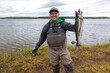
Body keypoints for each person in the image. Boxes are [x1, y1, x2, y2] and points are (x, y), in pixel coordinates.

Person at [32, 7, 75, 73]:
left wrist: (79, 19)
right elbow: (42, 38)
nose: (54, 15)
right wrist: (36, 48)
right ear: (49, 15)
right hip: (52, 51)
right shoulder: (46, 26)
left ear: (58, 15)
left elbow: (75, 28)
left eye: (55, 13)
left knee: (69, 66)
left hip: (63, 49)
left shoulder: (63, 24)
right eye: (52, 13)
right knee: (55, 68)